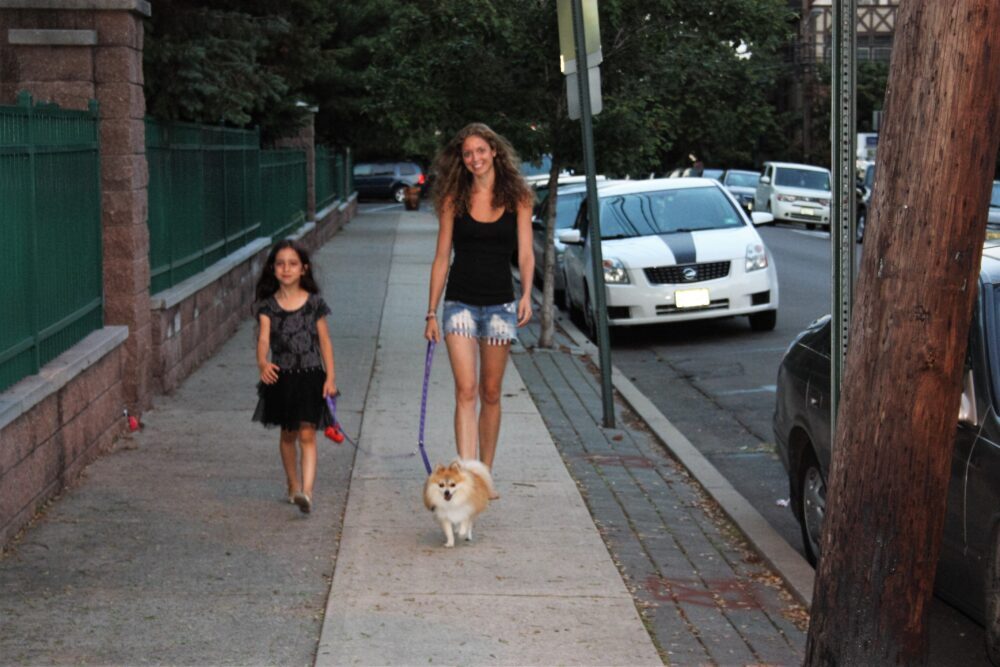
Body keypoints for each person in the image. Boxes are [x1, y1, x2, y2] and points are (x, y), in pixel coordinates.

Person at [424, 123, 535, 494]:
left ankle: (485, 474)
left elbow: (525, 253)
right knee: (466, 390)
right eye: (468, 153)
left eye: (481, 151)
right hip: (459, 304)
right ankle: (468, 475)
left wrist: (526, 294)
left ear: (494, 151)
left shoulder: (518, 197)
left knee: (490, 392)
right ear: (462, 158)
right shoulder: (453, 199)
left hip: (501, 305)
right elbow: (441, 257)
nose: (475, 159)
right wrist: (430, 311)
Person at [252, 240, 337, 514]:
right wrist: (262, 362)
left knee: (308, 434)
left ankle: (307, 492)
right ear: (272, 269)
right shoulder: (268, 307)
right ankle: (293, 483)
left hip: (311, 376)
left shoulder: (314, 304)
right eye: (280, 264)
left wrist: (330, 378)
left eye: (292, 264)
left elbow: (325, 342)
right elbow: (263, 339)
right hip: (282, 378)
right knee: (288, 434)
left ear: (304, 269)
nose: (286, 269)